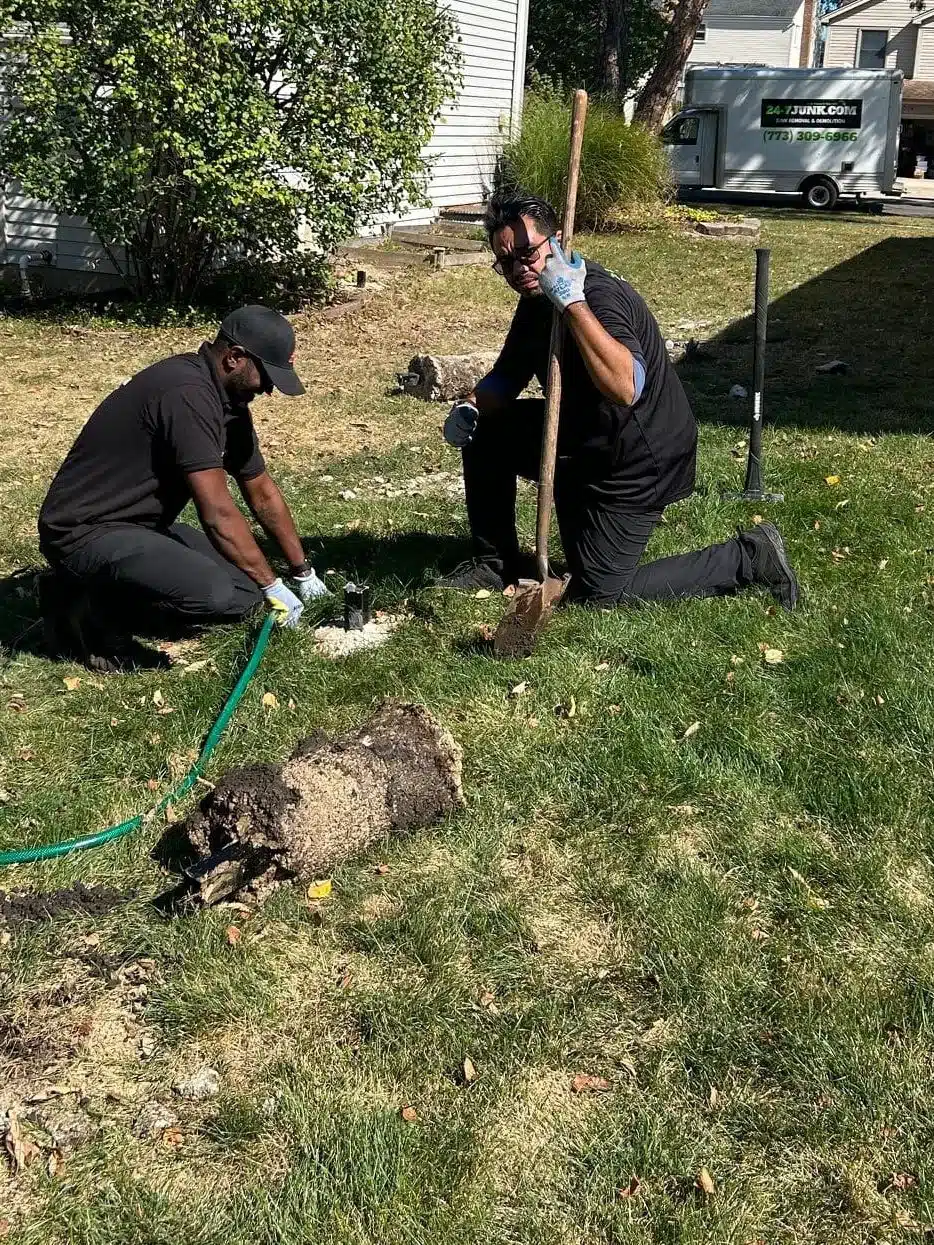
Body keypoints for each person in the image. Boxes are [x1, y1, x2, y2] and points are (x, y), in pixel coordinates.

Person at [435, 194, 798, 611]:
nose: (519, 269)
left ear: (557, 241)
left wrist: (572, 303)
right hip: (584, 434)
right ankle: (496, 564)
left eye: (527, 253)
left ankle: (749, 556)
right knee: (486, 432)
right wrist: (472, 405)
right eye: (506, 262)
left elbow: (626, 387)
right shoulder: (535, 299)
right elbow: (507, 374)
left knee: (598, 593)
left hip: (638, 456)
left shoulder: (597, 296)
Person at [38, 304, 329, 671]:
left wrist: (302, 572)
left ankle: (122, 588)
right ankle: (83, 610)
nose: (269, 390)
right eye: (267, 376)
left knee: (246, 596)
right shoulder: (185, 393)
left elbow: (261, 491)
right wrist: (273, 585)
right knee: (214, 594)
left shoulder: (228, 402)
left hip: (141, 527)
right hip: (84, 532)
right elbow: (217, 512)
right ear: (234, 358)